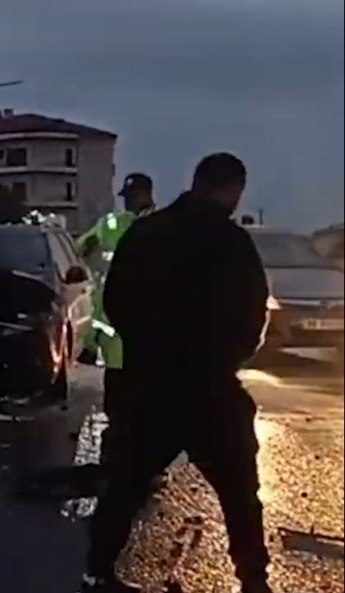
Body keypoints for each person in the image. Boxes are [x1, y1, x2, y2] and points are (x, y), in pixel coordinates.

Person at [81, 154, 274, 593]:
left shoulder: (145, 234)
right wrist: (225, 359)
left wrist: (146, 350)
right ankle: (253, 580)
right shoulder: (232, 242)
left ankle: (96, 572)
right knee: (240, 495)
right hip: (211, 389)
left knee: (126, 485)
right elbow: (253, 313)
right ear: (232, 189)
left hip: (150, 386)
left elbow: (116, 301)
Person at [76, 174, 156, 474]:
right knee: (120, 403)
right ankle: (121, 461)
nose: (127, 202)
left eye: (131, 196)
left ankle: (139, 463)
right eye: (126, 197)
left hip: (145, 335)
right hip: (118, 335)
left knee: (141, 403)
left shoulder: (160, 227)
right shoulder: (111, 223)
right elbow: (80, 248)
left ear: (145, 194)